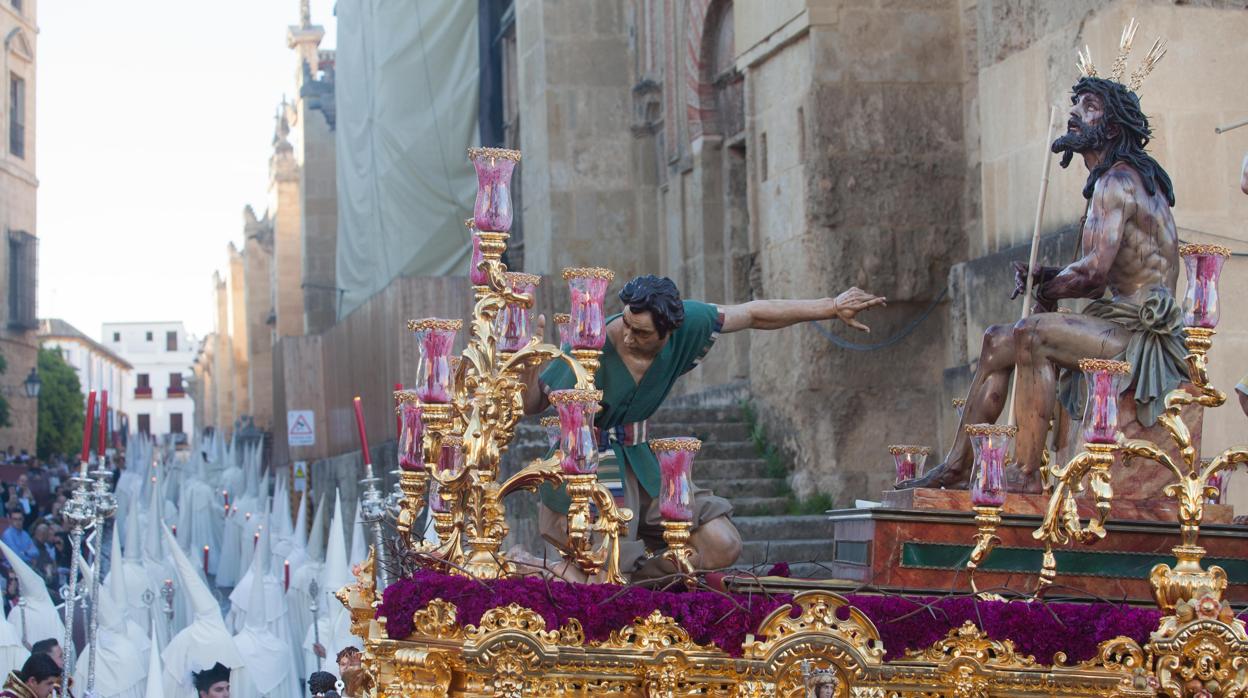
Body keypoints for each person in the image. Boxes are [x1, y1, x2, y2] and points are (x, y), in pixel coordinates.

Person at [904, 53, 1184, 493]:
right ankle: (957, 465)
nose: (1074, 113)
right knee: (998, 339)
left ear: (1111, 128)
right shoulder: (1120, 180)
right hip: (1119, 321)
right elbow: (1098, 268)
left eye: (1088, 107)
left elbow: (1093, 274)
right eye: (1076, 105)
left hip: (1142, 338)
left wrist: (1048, 287)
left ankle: (1024, 472)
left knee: (1032, 333)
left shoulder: (1117, 183)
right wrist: (1047, 277)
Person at [523, 275, 885, 581]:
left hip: (644, 465)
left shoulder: (688, 324)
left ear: (670, 332)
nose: (630, 337)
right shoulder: (593, 342)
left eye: (643, 333)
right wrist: (526, 365)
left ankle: (626, 579)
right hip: (588, 469)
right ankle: (553, 571)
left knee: (721, 543)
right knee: (605, 565)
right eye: (628, 326)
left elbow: (754, 314)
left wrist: (830, 307)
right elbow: (534, 404)